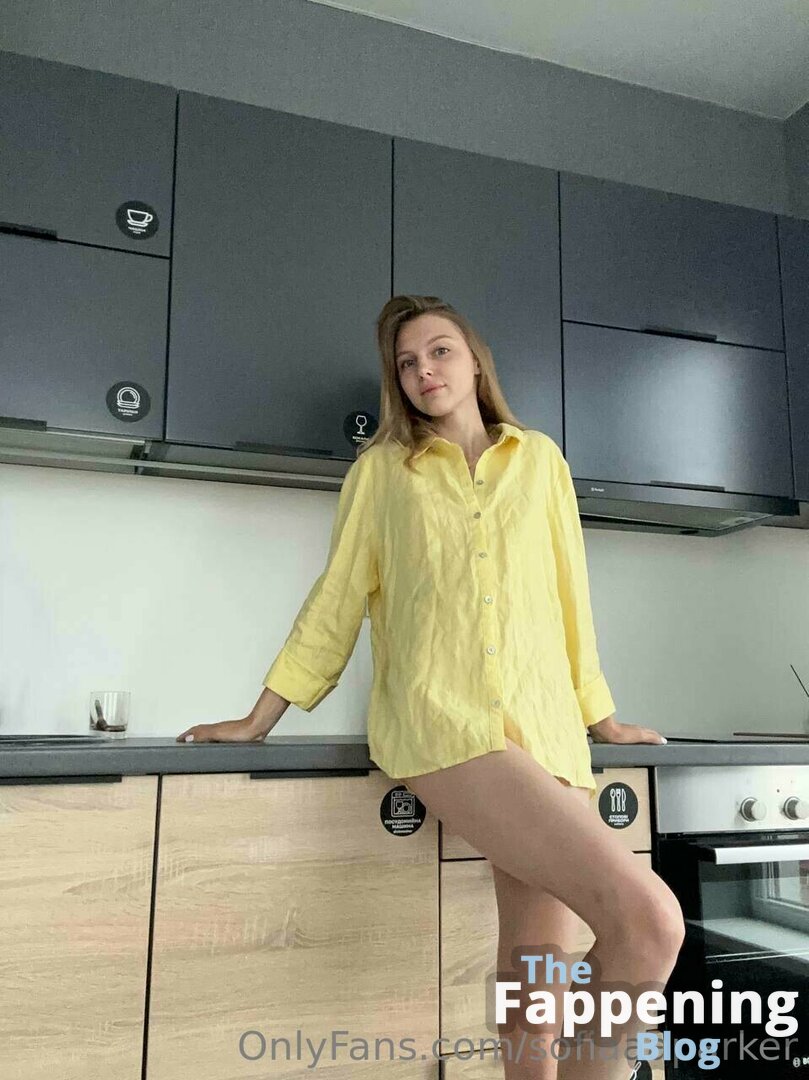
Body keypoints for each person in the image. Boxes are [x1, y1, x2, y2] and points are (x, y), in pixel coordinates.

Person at [176, 295, 685, 1078]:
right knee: (649, 921)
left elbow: (568, 596)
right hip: (444, 725)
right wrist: (258, 718)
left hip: (546, 726)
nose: (423, 370)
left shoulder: (540, 460)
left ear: (475, 360)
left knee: (537, 958)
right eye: (406, 362)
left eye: (439, 350)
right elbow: (336, 599)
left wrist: (601, 718)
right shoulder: (383, 473)